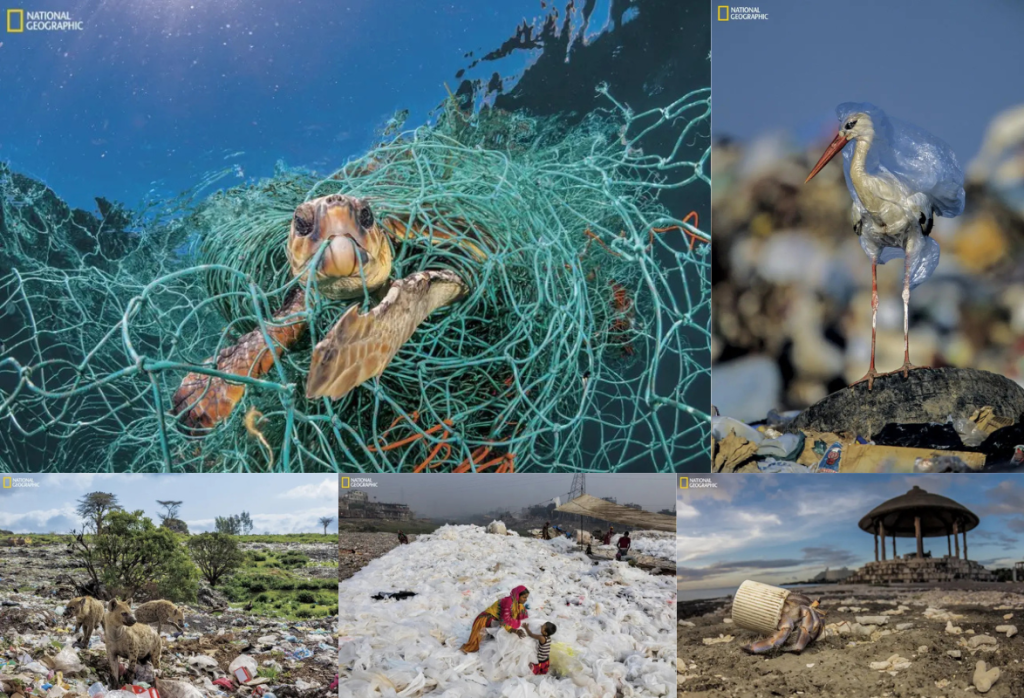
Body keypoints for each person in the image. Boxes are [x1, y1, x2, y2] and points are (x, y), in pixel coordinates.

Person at [460, 585, 530, 653]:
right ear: (518, 596)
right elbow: (504, 620)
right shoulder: (508, 602)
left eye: (526, 597)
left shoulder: (517, 603)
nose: (525, 600)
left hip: (496, 619)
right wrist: (514, 631)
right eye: (524, 597)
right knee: (476, 645)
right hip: (485, 619)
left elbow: (523, 615)